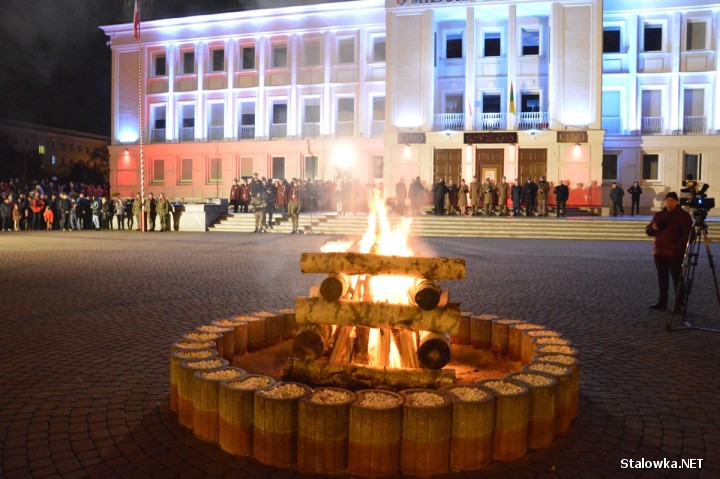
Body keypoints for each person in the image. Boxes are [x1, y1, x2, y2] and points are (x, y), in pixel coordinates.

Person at [645, 192, 692, 311]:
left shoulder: (683, 216)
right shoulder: (659, 215)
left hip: (675, 253)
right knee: (662, 278)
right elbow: (649, 231)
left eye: (672, 200)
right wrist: (653, 228)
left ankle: (679, 303)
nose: (669, 202)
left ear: (676, 201)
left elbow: (689, 234)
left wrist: (677, 246)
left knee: (677, 278)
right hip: (659, 252)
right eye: (667, 200)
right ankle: (662, 301)